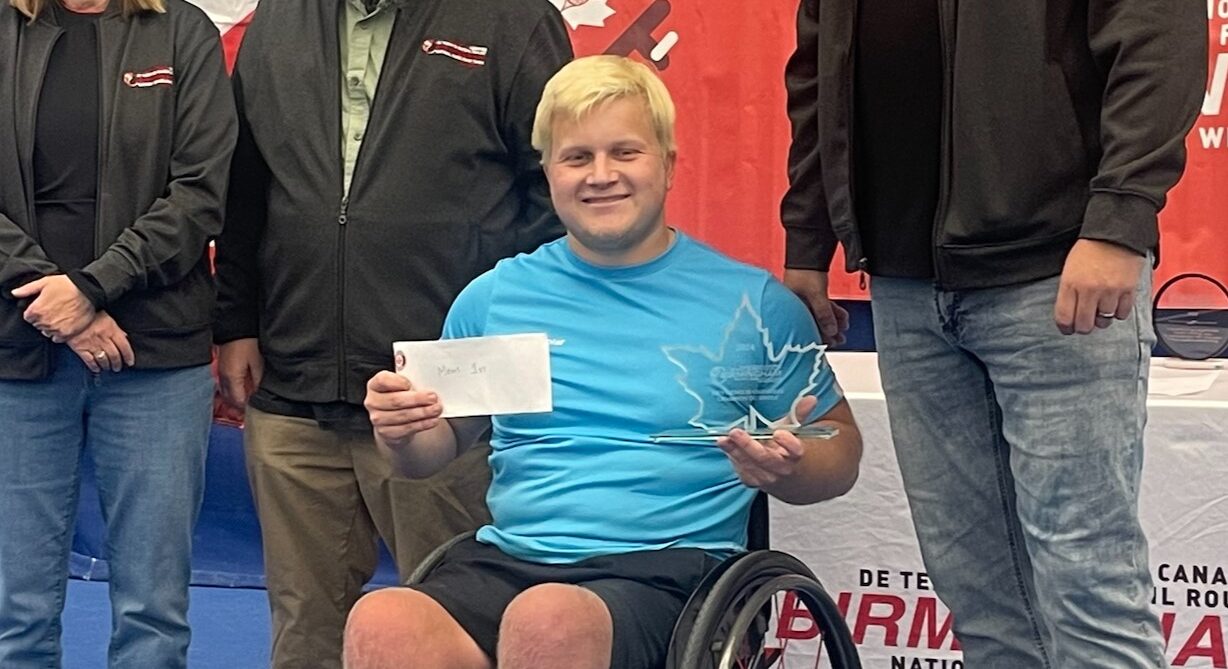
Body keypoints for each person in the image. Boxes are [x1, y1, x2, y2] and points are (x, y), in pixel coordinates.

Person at [343, 55, 864, 669]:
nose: (601, 175)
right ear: (548, 174)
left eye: (625, 152)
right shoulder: (493, 297)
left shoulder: (753, 305)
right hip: (510, 559)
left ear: (668, 166)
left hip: (674, 573)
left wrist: (793, 468)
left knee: (550, 620)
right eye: (577, 157)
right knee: (382, 621)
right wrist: (403, 432)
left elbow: (841, 450)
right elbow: (433, 450)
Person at [781, 1, 1205, 666]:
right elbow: (818, 74)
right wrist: (806, 242)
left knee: (1091, 592)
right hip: (903, 283)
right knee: (981, 604)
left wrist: (1118, 219)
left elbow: (1159, 36)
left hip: (1056, 266)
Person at [210, 0, 572, 666]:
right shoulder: (279, 21)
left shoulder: (511, 18)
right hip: (295, 385)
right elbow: (246, 182)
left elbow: (560, 187)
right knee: (305, 634)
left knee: (452, 630)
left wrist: (494, 340)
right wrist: (236, 320)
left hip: (442, 394)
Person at [0, 0, 236, 664]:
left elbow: (201, 192)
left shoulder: (181, 31)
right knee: (16, 613)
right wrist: (52, 295)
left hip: (156, 357)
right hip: (18, 356)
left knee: (152, 612)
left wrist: (95, 285)